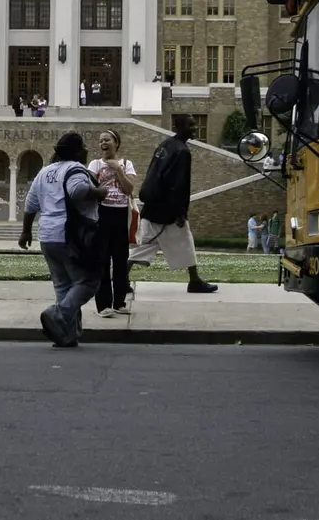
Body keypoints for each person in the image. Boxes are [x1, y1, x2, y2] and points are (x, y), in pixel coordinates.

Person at [19, 133, 108, 347]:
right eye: (84, 146)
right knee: (89, 281)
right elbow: (77, 191)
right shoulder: (75, 169)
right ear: (77, 151)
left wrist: (26, 232)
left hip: (47, 235)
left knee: (63, 286)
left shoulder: (44, 172)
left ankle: (67, 335)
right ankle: (58, 314)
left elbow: (30, 205)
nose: (87, 150)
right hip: (70, 236)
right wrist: (99, 192)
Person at [128, 114, 219, 294]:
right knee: (184, 242)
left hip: (153, 206)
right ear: (178, 127)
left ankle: (121, 279)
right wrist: (180, 212)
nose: (194, 128)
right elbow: (178, 185)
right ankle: (194, 282)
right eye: (190, 125)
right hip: (167, 210)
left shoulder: (166, 145)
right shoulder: (182, 151)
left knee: (146, 244)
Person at [88, 130, 136, 317]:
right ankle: (104, 305)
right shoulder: (95, 164)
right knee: (102, 260)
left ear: (116, 143)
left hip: (120, 214)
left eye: (107, 140)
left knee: (120, 259)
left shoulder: (126, 164)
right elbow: (89, 188)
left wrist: (118, 169)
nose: (103, 143)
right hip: (102, 214)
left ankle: (119, 302)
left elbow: (130, 188)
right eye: (100, 141)